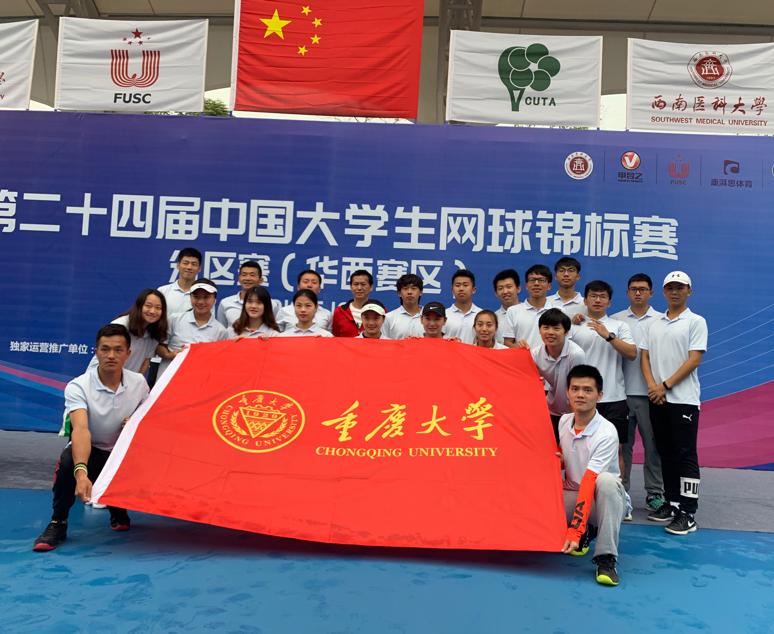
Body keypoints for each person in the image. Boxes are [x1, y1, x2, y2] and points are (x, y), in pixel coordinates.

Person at [32, 324, 150, 551]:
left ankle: (117, 505)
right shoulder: (78, 386)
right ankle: (58, 522)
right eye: (105, 349)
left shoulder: (139, 383)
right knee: (68, 462)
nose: (111, 355)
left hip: (123, 454)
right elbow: (80, 429)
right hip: (93, 450)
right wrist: (81, 473)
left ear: (128, 353)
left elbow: (147, 415)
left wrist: (135, 421)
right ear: (96, 352)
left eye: (118, 350)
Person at [640, 271, 707, 535]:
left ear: (689, 291)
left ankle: (688, 513)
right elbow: (645, 357)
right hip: (657, 398)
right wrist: (652, 386)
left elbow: (694, 360)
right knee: (665, 452)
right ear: (664, 291)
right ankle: (672, 503)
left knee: (685, 454)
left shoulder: (696, 321)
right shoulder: (654, 323)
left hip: (683, 400)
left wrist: (665, 386)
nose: (675, 292)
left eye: (680, 287)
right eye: (670, 287)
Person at [558, 365, 628, 587]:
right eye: (575, 389)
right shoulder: (563, 422)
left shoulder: (606, 432)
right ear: (567, 393)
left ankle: (606, 558)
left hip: (604, 501)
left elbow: (590, 480)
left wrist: (574, 531)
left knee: (606, 481)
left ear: (600, 395)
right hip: (576, 493)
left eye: (588, 390)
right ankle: (587, 530)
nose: (580, 394)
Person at [570, 281, 637, 481]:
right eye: (593, 296)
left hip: (614, 398)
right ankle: (581, 492)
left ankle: (619, 495)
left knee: (617, 450)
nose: (598, 300)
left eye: (602, 296)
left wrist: (608, 336)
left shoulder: (619, 326)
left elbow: (632, 353)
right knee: (578, 449)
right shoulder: (574, 326)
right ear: (585, 300)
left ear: (609, 302)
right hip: (582, 398)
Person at [611, 273, 666, 513]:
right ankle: (621, 495)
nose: (638, 293)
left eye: (642, 289)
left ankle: (655, 493)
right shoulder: (615, 320)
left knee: (653, 447)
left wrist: (660, 387)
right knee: (622, 448)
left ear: (651, 293)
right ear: (627, 292)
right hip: (621, 394)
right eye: (633, 289)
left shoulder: (662, 320)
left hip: (651, 395)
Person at [526, 308, 585, 441]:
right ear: (539, 330)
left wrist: (577, 418)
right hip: (551, 410)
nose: (550, 332)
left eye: (556, 328)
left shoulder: (576, 354)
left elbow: (578, 387)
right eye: (546, 328)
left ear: (566, 332)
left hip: (574, 413)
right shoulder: (535, 354)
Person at [88, 288, 168, 375]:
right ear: (139, 306)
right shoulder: (120, 325)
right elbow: (105, 358)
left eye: (158, 308)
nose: (153, 311)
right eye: (148, 306)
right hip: (103, 377)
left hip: (127, 381)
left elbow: (145, 361)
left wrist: (137, 382)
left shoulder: (154, 332)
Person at [157, 279, 228, 372]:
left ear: (214, 300)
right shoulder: (174, 319)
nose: (201, 302)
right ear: (190, 298)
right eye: (196, 297)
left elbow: (220, 360)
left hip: (200, 378)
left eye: (206, 297)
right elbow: (159, 345)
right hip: (170, 376)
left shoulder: (221, 331)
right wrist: (169, 355)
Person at [217, 260, 282, 328]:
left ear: (261, 280)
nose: (248, 278)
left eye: (252, 275)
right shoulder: (225, 303)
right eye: (244, 275)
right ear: (239, 278)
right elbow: (222, 330)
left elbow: (275, 328)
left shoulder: (272, 304)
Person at [503, 264, 553, 349]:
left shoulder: (558, 310)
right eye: (532, 280)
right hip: (522, 357)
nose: (536, 283)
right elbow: (507, 343)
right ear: (526, 285)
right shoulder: (513, 311)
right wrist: (517, 347)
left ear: (549, 286)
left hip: (550, 357)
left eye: (541, 280)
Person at [157, 247, 202, 316]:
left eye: (194, 264)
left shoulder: (203, 295)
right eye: (185, 263)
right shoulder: (162, 291)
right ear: (178, 265)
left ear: (199, 269)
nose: (189, 267)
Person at [444, 269, 481, 344]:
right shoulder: (444, 315)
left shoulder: (481, 314)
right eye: (457, 285)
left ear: (473, 290)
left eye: (465, 285)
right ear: (452, 290)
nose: (461, 289)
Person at [332, 269, 373, 337]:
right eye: (356, 284)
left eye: (363, 284)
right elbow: (335, 338)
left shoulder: (380, 311)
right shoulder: (339, 311)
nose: (359, 288)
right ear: (351, 287)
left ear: (371, 287)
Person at [383, 273, 424, 339]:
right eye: (405, 288)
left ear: (421, 292)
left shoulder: (430, 317)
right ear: (399, 293)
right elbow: (383, 342)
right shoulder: (389, 318)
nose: (409, 292)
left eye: (413, 288)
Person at [492, 269, 520, 344]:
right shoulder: (493, 318)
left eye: (509, 287)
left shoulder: (529, 313)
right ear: (496, 293)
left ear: (518, 289)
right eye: (500, 288)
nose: (505, 291)